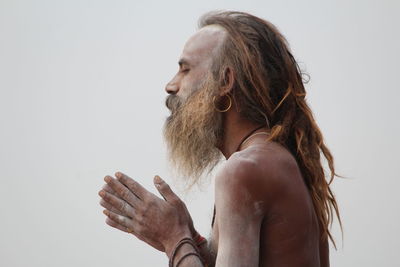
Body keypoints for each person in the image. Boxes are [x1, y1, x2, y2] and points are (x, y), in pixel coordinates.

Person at [98, 11, 341, 267]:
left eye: (185, 70)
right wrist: (190, 237)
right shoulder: (281, 161)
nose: (171, 85)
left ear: (225, 81)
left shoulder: (244, 170)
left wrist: (174, 238)